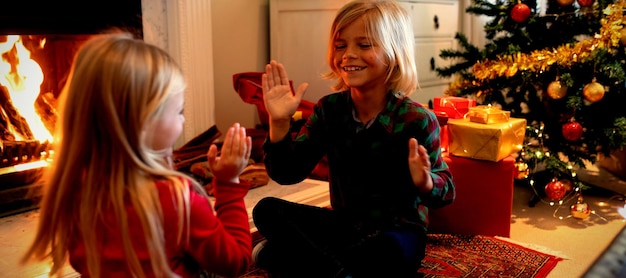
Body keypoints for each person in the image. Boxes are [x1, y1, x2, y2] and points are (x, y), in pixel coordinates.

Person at [20, 33, 253, 278]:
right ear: (142, 122)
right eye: (179, 110)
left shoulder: (75, 190)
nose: (183, 119)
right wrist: (228, 183)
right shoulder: (177, 200)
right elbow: (235, 262)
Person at [251, 0, 456, 277]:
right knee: (266, 209)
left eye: (364, 45)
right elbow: (288, 173)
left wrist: (426, 182)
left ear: (394, 52)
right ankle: (335, 268)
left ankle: (301, 261)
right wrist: (279, 122)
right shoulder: (329, 110)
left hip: (397, 233)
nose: (348, 55)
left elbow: (447, 193)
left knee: (381, 254)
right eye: (340, 46)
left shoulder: (417, 120)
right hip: (343, 225)